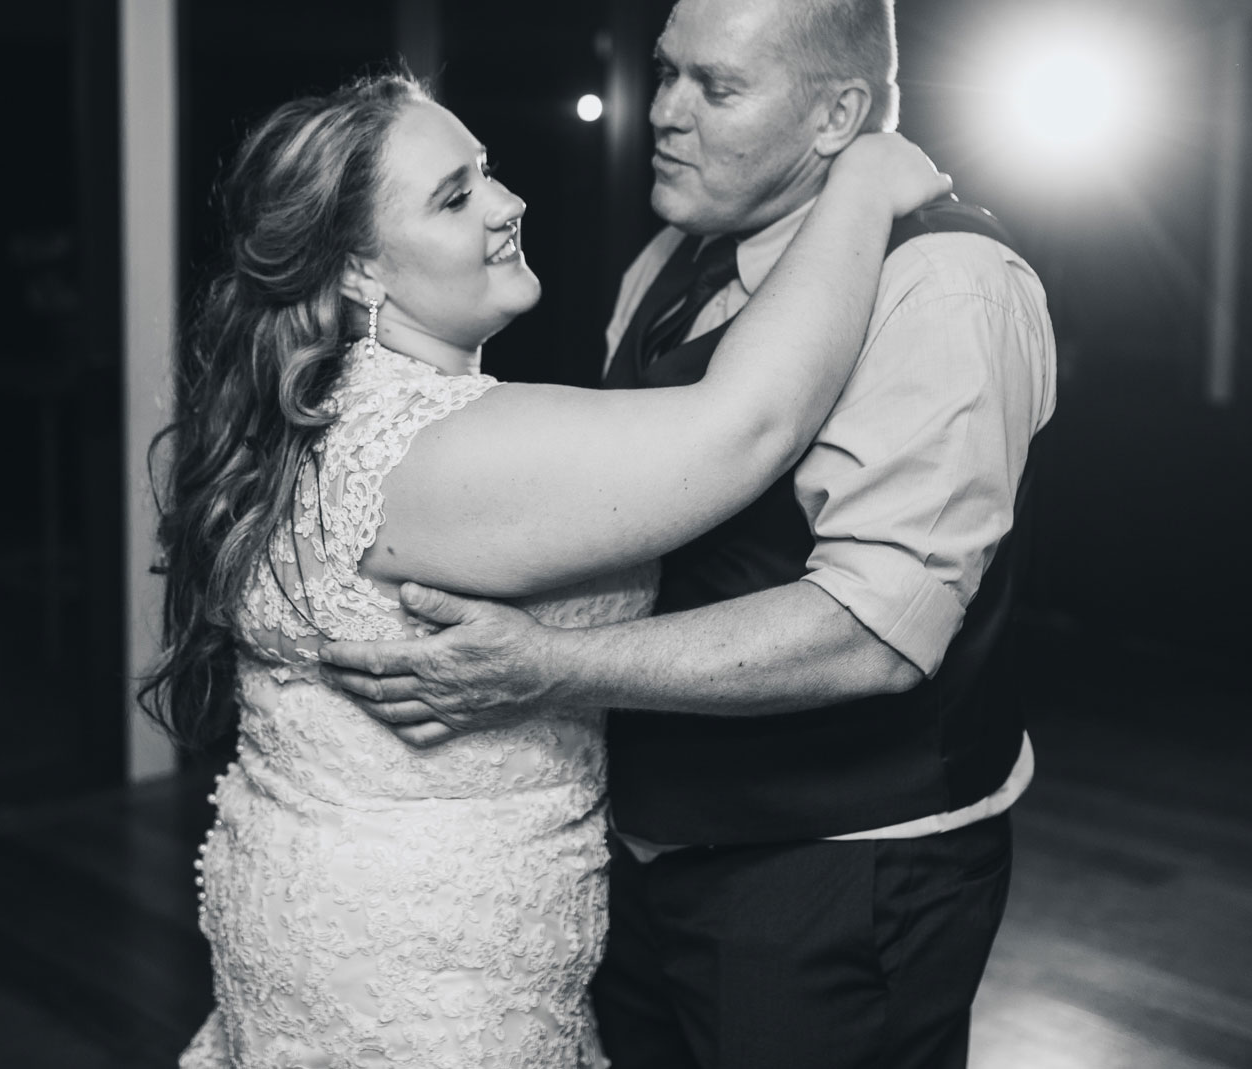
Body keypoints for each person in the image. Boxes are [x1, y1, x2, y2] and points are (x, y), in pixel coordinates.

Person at [321, 0, 1059, 1069]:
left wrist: (547, 665)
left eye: (714, 86)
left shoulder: (943, 285)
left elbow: (871, 634)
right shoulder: (670, 254)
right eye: (666, 69)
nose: (663, 109)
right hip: (643, 847)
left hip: (838, 863)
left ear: (834, 116)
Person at [141, 69, 950, 1068]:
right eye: (455, 195)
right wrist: (864, 180)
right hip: (424, 960)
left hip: (329, 902)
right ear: (357, 270)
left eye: (486, 172)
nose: (507, 202)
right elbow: (747, 426)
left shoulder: (318, 415)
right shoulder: (420, 452)